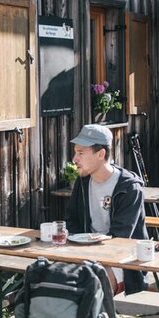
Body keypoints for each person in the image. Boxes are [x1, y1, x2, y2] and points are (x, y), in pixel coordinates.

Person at [65, 124, 149, 294]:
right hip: (85, 254)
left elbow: (121, 237)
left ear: (101, 154)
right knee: (49, 277)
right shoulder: (83, 181)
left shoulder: (129, 188)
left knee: (90, 289)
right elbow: (71, 220)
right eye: (75, 152)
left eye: (81, 153)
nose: (75, 159)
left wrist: (87, 252)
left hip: (123, 259)